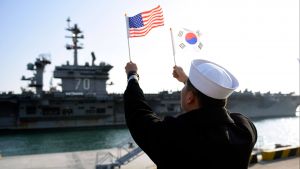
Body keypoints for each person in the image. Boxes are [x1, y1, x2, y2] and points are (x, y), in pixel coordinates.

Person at [124, 59, 257, 169]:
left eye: (185, 88)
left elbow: (138, 113)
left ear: (189, 98)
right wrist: (190, 83)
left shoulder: (171, 136)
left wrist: (132, 75)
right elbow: (217, 109)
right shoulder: (245, 130)